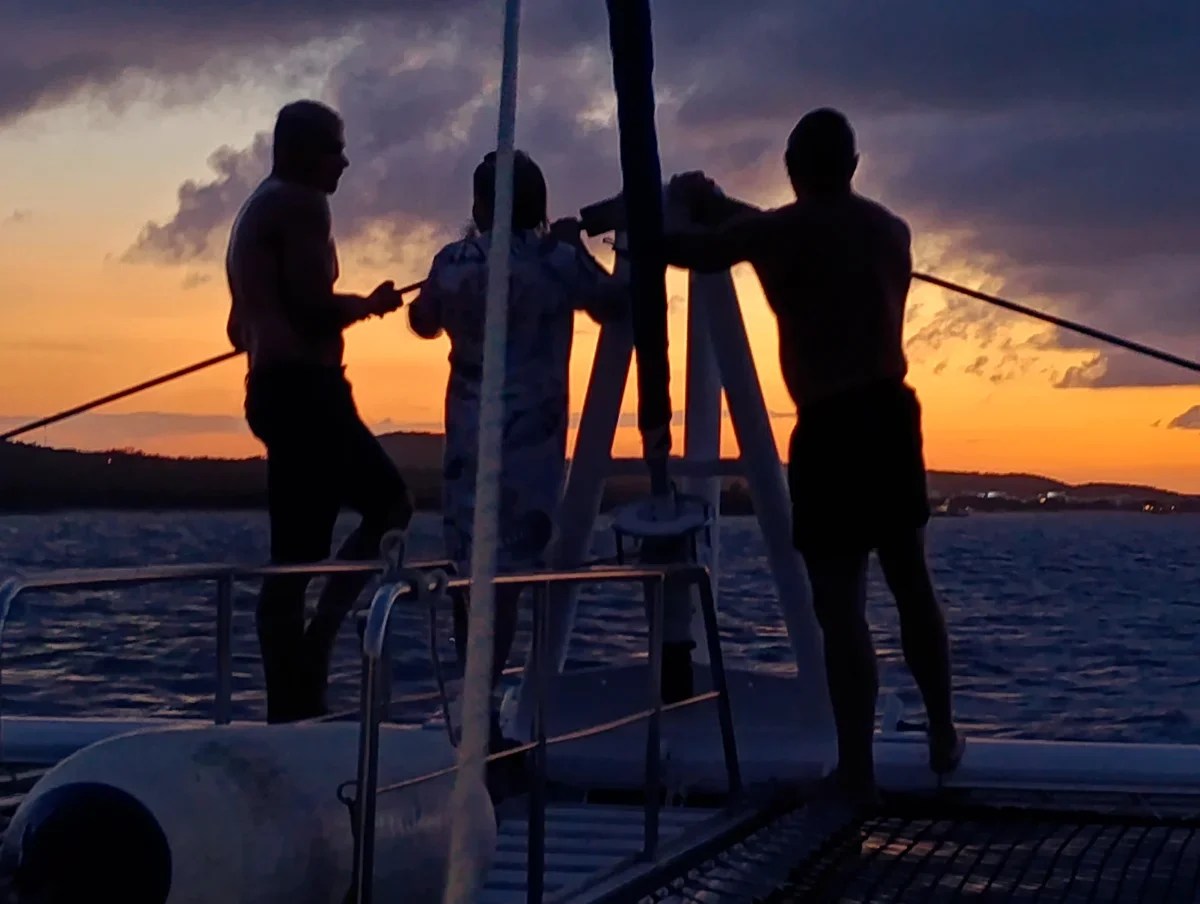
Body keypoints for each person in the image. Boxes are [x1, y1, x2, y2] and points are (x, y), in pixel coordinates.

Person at [663, 108, 962, 804]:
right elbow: (783, 227)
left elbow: (702, 251)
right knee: (911, 583)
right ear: (853, 166)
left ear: (791, 169)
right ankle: (944, 733)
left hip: (829, 427)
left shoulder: (777, 233)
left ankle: (857, 770)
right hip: (891, 415)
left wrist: (649, 221)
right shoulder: (891, 231)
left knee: (841, 606)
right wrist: (721, 205)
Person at [408, 149, 628, 750]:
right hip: (532, 446)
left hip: (469, 441)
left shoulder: (453, 262)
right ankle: (483, 713)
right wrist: (575, 247)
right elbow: (613, 304)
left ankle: (473, 705)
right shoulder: (557, 261)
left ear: (481, 205)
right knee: (508, 580)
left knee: (472, 572)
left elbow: (423, 321)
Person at [226, 100, 415, 723]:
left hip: (270, 391)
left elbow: (237, 329)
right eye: (335, 148)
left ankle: (292, 701)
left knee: (298, 552)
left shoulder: (253, 210)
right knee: (390, 505)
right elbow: (311, 312)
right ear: (301, 151)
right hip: (308, 392)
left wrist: (270, 325)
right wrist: (367, 305)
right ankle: (317, 648)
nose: (345, 161)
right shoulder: (303, 204)